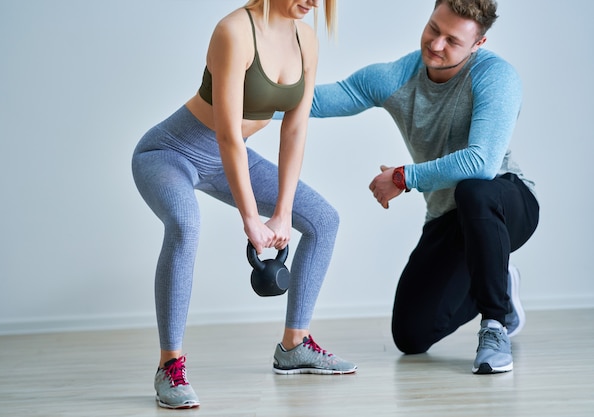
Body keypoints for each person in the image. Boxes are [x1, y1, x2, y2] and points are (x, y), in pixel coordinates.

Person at [131, 0, 356, 410]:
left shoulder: (306, 39)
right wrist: (251, 217)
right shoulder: (234, 31)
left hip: (228, 158)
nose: (313, 3)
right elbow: (228, 134)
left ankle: (294, 345)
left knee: (323, 219)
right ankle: (170, 365)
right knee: (185, 225)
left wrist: (284, 210)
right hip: (169, 154)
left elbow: (295, 128)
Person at [306, 0, 539, 374]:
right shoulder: (397, 76)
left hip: (505, 201)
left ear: (478, 44)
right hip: (448, 216)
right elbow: (318, 100)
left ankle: (495, 324)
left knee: (473, 190)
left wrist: (403, 177)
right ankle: (498, 283)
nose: (436, 45)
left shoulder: (496, 76)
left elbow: (481, 163)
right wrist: (242, 100)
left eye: (452, 40)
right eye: (434, 29)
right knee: (410, 336)